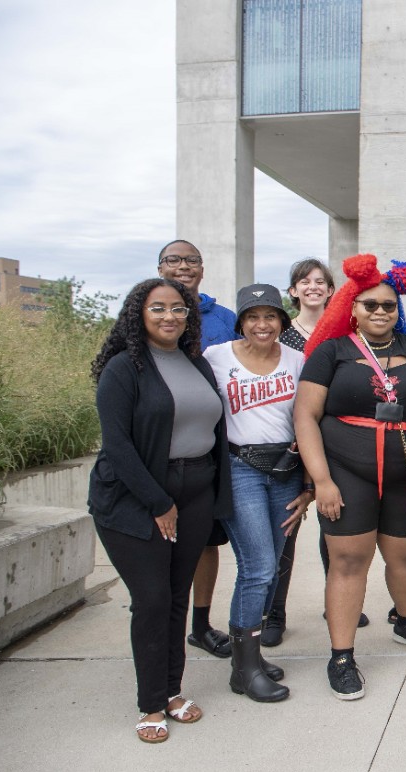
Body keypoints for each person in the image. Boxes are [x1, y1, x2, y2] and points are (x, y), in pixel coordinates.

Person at [295, 254, 406, 700]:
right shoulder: (332, 352)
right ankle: (341, 657)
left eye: (388, 305)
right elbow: (306, 416)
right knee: (349, 562)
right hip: (346, 474)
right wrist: (321, 480)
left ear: (398, 308)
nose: (379, 311)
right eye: (369, 304)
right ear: (352, 307)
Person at [88, 278, 232, 742]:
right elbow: (117, 445)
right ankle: (150, 703)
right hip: (135, 498)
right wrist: (158, 502)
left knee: (175, 596)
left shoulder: (196, 363)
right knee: (151, 599)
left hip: (196, 492)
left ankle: (172, 691)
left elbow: (215, 431)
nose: (169, 316)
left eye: (178, 309)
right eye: (158, 308)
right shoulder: (123, 368)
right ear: (139, 314)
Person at [204, 284, 313, 702]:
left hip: (285, 471)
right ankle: (244, 670)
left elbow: (307, 420)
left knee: (273, 567)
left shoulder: (296, 360)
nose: (262, 324)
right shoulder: (216, 358)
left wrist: (308, 484)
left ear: (282, 322)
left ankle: (249, 658)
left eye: (270, 316)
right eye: (253, 316)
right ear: (241, 322)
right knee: (258, 567)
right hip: (240, 469)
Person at [263, 259, 371, 647]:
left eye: (320, 281)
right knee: (285, 529)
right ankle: (274, 612)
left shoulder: (344, 330)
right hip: (288, 442)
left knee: (335, 526)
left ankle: (337, 602)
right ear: (293, 290)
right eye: (304, 281)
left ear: (331, 289)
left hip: (333, 439)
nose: (313, 286)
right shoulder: (279, 334)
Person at [156, 240, 240, 659]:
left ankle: (201, 625)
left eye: (191, 260)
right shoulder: (145, 314)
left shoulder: (224, 319)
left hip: (209, 447)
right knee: (157, 543)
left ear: (202, 269)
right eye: (173, 260)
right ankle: (159, 621)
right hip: (159, 448)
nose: (183, 266)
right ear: (160, 268)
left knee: (205, 541)